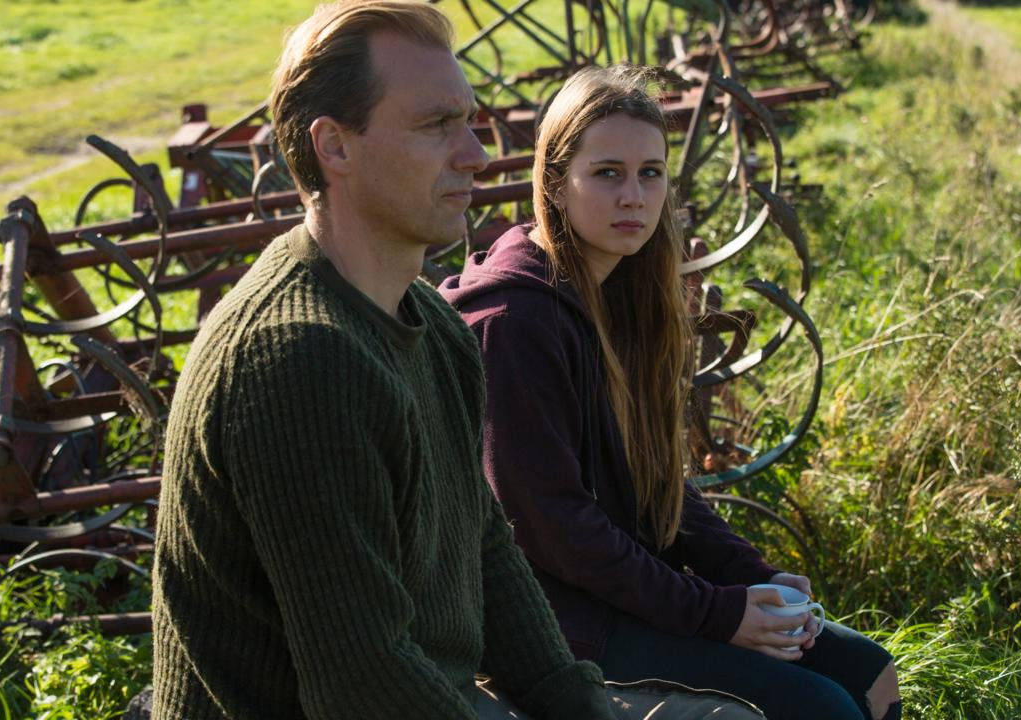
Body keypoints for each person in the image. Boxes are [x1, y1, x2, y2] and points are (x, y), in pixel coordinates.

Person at [151, 3, 762, 719]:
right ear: (335, 146)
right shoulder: (300, 358)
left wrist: (575, 703)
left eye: (468, 121)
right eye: (436, 125)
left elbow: (487, 551)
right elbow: (363, 683)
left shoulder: (430, 320)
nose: (475, 154)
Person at [440, 65, 903, 720]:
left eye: (650, 173)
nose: (634, 196)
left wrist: (752, 576)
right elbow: (554, 528)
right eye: (608, 173)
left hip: (621, 596)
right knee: (820, 708)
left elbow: (658, 479)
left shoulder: (625, 291)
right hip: (556, 628)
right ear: (555, 183)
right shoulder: (515, 321)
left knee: (870, 672)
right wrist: (716, 614)